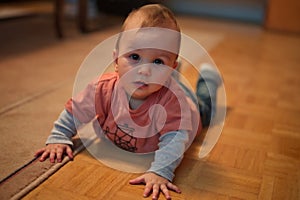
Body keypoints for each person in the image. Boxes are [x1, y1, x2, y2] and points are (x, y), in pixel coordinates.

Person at [35, 4, 221, 200]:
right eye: (134, 57)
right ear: (116, 59)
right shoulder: (103, 89)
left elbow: (175, 140)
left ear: (171, 67)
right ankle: (168, 72)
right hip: (160, 85)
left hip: (185, 106)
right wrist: (59, 136)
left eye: (157, 62)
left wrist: (160, 172)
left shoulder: (174, 104)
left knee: (205, 110)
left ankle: (207, 81)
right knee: (158, 81)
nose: (144, 71)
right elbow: (75, 110)